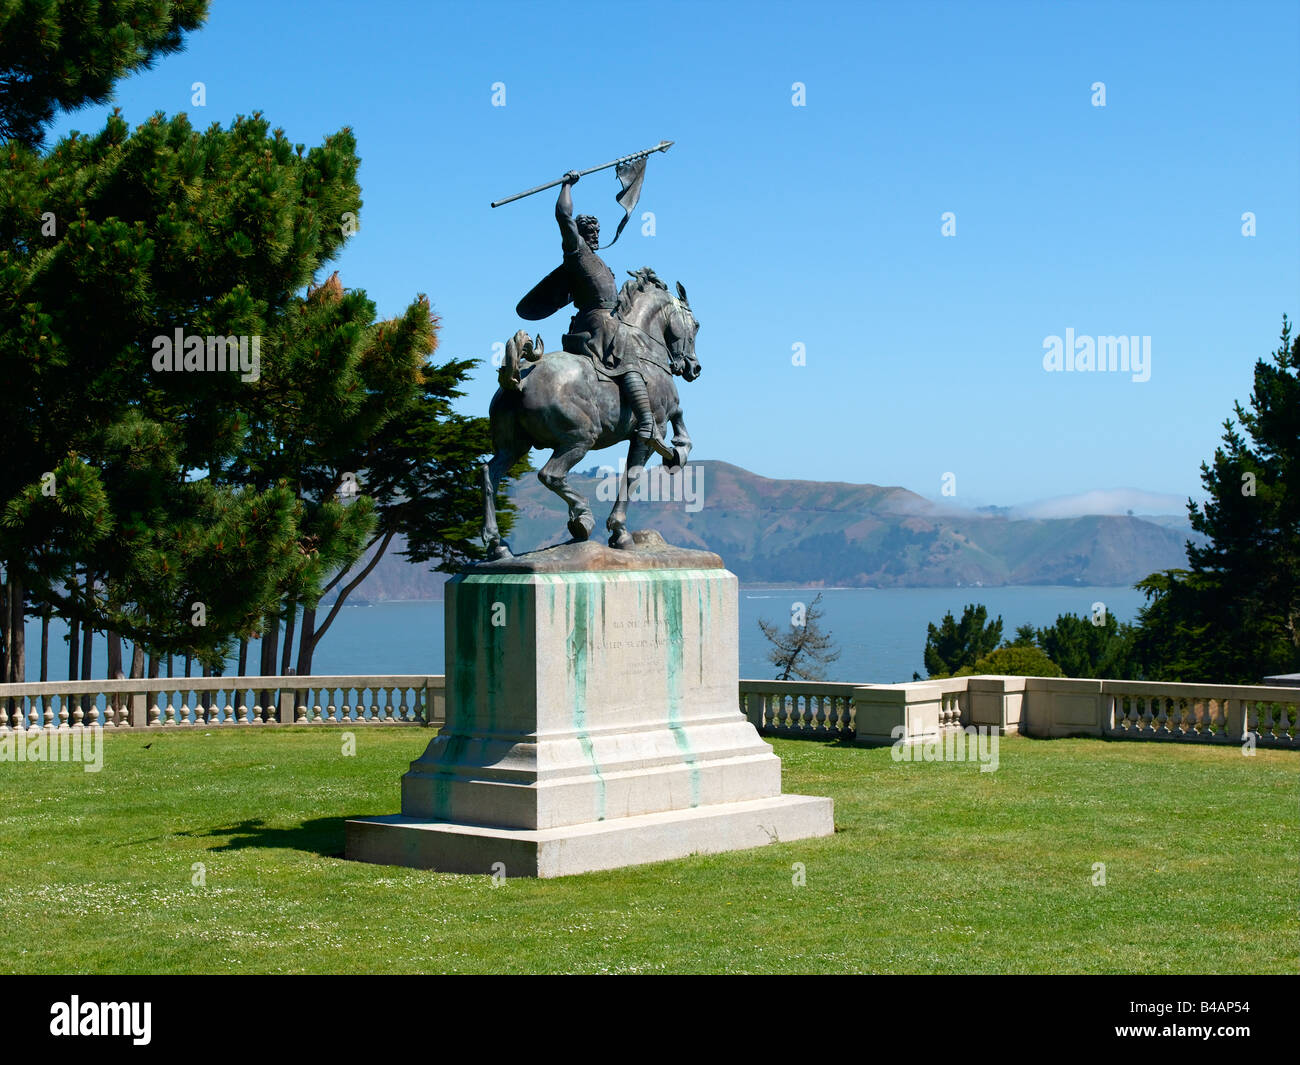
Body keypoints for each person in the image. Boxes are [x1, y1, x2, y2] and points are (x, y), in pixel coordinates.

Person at [515, 171, 669, 457]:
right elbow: (563, 216)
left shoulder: (596, 259)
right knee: (630, 360)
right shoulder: (577, 252)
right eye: (591, 232)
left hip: (597, 320)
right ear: (581, 235)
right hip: (600, 323)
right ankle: (648, 423)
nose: (596, 235)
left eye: (598, 231)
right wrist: (566, 186)